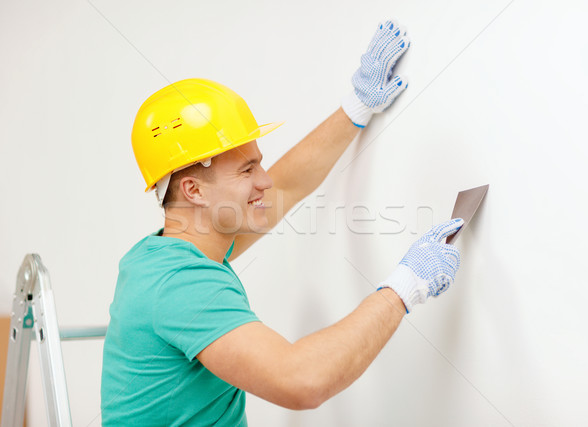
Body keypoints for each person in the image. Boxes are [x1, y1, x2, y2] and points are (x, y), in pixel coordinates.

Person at [101, 19, 463, 426]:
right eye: (246, 170)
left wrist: (357, 106)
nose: (265, 179)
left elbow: (285, 188)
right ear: (193, 190)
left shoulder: (165, 254)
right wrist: (405, 285)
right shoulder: (180, 283)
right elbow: (301, 380)